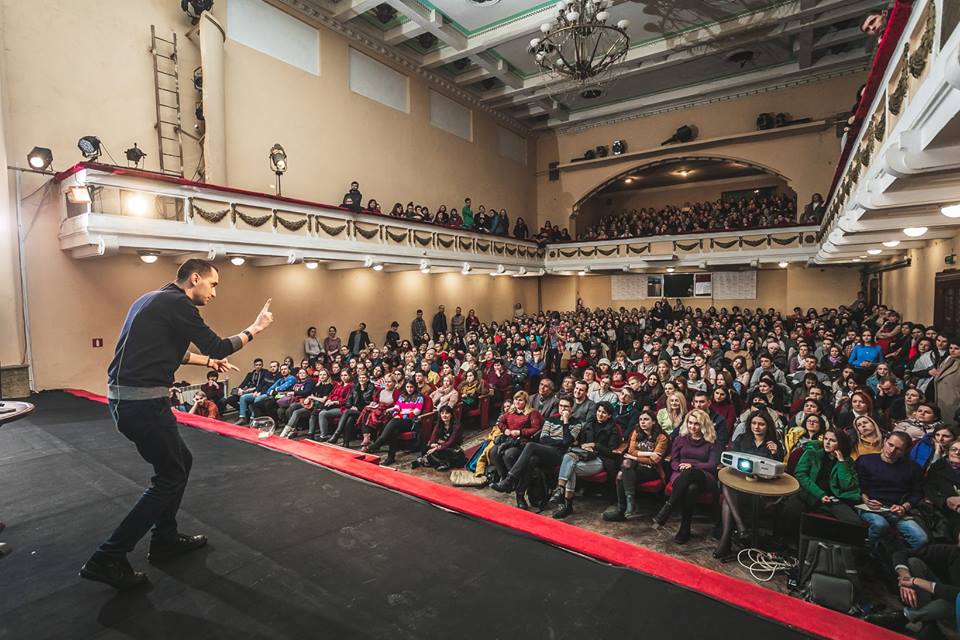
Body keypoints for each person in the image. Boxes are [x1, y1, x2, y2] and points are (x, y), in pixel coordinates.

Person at [80, 259, 273, 590]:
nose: (214, 293)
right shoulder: (178, 303)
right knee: (169, 477)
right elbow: (218, 344)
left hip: (128, 401)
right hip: (143, 403)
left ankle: (165, 538)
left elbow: (179, 353)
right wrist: (256, 328)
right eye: (213, 285)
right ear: (195, 279)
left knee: (181, 462)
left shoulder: (151, 300)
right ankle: (108, 556)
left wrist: (207, 362)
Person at [713, 410, 783, 559]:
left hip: (762, 489)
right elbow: (731, 462)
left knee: (727, 501)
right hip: (740, 485)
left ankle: (728, 539)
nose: (757, 427)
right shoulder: (741, 438)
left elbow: (778, 471)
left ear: (768, 426)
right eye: (754, 423)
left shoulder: (774, 443)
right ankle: (737, 531)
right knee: (727, 484)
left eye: (761, 424)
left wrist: (775, 453)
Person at [779, 429, 864, 548]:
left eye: (832, 440)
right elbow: (800, 474)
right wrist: (820, 494)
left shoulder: (847, 461)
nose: (827, 443)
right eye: (826, 439)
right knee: (791, 510)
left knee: (855, 523)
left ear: (840, 444)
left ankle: (840, 556)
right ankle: (790, 547)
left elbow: (847, 485)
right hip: (809, 493)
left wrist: (841, 462)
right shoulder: (812, 452)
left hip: (833, 498)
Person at [653, 409, 721, 544]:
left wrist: (692, 466)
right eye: (690, 423)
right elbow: (674, 461)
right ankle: (685, 528)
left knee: (691, 474)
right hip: (681, 474)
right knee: (691, 489)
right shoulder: (680, 439)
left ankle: (669, 507)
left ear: (704, 425)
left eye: (696, 424)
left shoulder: (712, 442)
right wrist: (680, 467)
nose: (692, 426)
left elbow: (712, 464)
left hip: (704, 476)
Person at [856, 432, 929, 552]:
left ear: (905, 451)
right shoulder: (865, 460)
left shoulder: (913, 469)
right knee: (880, 525)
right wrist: (865, 499)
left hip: (896, 510)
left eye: (898, 449)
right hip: (868, 507)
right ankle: (870, 553)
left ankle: (900, 560)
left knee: (921, 539)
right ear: (885, 441)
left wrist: (904, 507)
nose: (891, 450)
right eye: (890, 445)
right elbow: (856, 486)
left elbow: (917, 493)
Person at [552, 401, 623, 519]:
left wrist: (595, 445)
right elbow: (580, 442)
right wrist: (580, 444)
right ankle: (562, 494)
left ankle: (564, 499)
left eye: (604, 413)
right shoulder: (589, 424)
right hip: (584, 456)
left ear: (609, 415)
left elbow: (611, 452)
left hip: (601, 460)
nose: (600, 414)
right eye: (599, 411)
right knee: (568, 459)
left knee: (569, 467)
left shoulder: (613, 429)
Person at [604, 409, 669, 522]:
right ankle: (629, 502)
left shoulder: (661, 437)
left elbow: (654, 461)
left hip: (652, 470)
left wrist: (634, 457)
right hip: (634, 467)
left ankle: (622, 510)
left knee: (621, 475)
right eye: (641, 420)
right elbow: (631, 450)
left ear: (654, 422)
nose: (643, 422)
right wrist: (649, 453)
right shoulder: (636, 432)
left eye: (646, 419)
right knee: (625, 466)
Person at [413, 405, 464, 471]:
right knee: (425, 448)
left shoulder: (457, 426)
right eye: (442, 413)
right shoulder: (439, 424)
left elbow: (450, 442)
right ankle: (435, 461)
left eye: (447, 413)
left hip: (453, 447)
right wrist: (432, 444)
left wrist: (437, 447)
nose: (444, 415)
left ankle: (442, 463)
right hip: (441, 444)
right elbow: (433, 436)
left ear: (451, 414)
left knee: (438, 451)